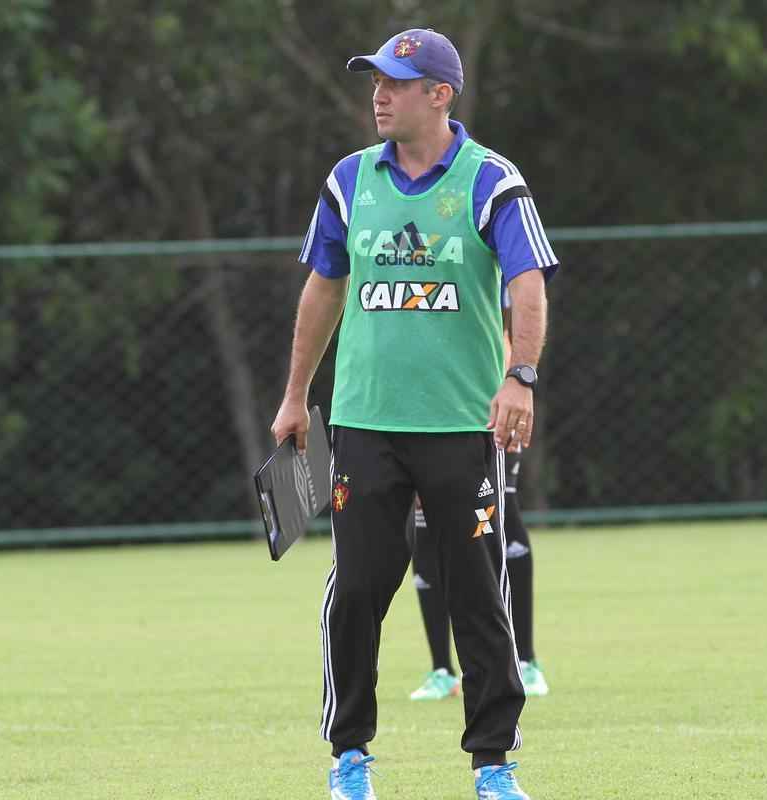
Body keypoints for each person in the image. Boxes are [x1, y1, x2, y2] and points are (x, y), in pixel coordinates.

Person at [271, 27, 558, 800]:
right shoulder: (348, 180)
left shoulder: (491, 180)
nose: (379, 94)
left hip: (465, 426)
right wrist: (297, 395)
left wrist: (519, 377)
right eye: (375, 81)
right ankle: (349, 757)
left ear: (441, 94)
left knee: (477, 592)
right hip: (364, 423)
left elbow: (527, 281)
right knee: (358, 586)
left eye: (397, 82)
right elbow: (323, 287)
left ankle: (494, 765)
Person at [408, 299, 549, 704]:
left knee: (502, 519)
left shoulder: (491, 241)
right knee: (422, 526)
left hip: (486, 401)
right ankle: (441, 670)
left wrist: (515, 381)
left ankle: (525, 660)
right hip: (424, 401)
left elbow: (517, 315)